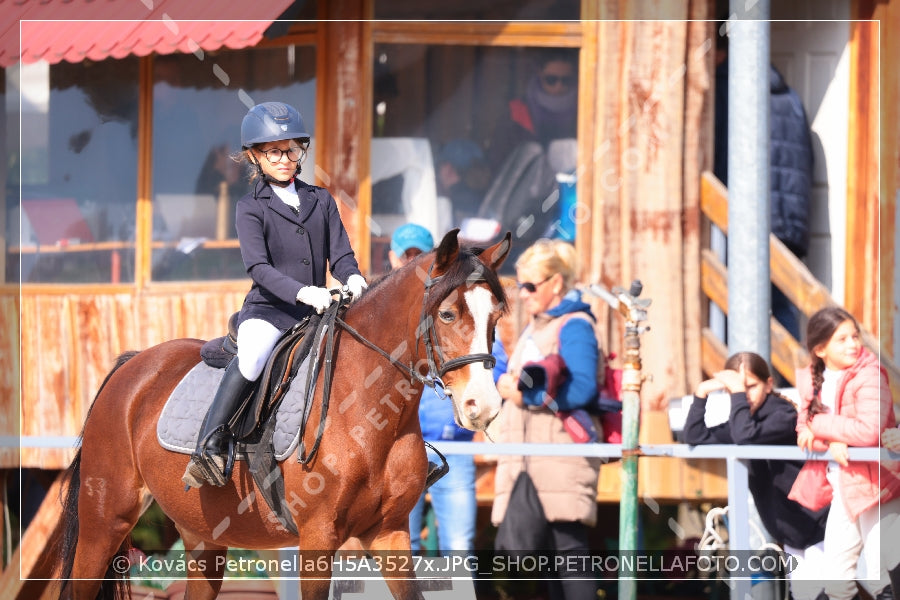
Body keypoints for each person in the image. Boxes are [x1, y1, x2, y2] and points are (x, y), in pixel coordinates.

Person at [182, 101, 368, 489]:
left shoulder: (321, 200)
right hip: (270, 311)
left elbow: (343, 256)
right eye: (273, 151)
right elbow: (259, 270)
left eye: (292, 150)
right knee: (251, 357)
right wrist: (305, 292)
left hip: (318, 312)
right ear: (255, 156)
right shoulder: (250, 207)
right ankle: (211, 443)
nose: (284, 159)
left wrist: (354, 280)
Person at [490, 238, 601, 600]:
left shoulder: (575, 325)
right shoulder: (536, 327)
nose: (522, 294)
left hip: (560, 457)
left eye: (531, 285)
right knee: (550, 562)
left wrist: (525, 396)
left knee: (569, 551)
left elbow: (584, 388)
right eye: (519, 285)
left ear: (556, 283)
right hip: (534, 460)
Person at [682, 351, 829, 587]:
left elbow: (746, 438)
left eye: (750, 386)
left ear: (769, 384)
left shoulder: (785, 416)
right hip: (791, 532)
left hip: (819, 524)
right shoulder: (745, 422)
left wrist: (737, 393)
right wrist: (701, 393)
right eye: (736, 389)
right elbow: (694, 435)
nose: (745, 395)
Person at [787, 307, 900, 600]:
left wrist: (823, 429)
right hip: (844, 485)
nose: (853, 344)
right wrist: (832, 443)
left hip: (876, 484)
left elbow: (869, 431)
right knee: (838, 581)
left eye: (855, 336)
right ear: (820, 349)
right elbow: (803, 432)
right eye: (842, 339)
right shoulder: (813, 380)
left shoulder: (871, 374)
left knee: (884, 570)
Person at [714, 34, 814, 341]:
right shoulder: (790, 98)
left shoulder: (724, 91)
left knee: (738, 299)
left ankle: (759, 377)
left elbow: (718, 156)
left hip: (744, 219)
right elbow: (804, 158)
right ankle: (791, 380)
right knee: (779, 301)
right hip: (788, 221)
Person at [387, 223, 478, 555]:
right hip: (398, 446)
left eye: (419, 258)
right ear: (392, 260)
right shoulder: (380, 313)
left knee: (458, 545)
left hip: (451, 446)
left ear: (434, 262)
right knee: (397, 545)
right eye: (405, 257)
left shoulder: (454, 305)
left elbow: (488, 355)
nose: (411, 264)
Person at [487, 48, 578, 173]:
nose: (559, 86)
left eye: (566, 80)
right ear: (540, 75)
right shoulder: (516, 112)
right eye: (551, 80)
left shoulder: (584, 110)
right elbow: (497, 160)